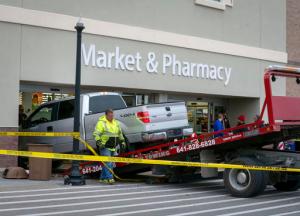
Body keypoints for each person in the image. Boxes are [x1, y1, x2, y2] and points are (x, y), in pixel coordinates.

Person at [93, 109, 126, 184]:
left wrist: (122, 141)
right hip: (104, 147)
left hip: (113, 147)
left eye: (112, 115)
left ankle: (103, 178)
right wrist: (99, 142)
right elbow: (96, 134)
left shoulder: (115, 122)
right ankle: (110, 178)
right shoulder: (101, 123)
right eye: (110, 115)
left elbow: (119, 133)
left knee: (107, 163)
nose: (112, 117)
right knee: (108, 163)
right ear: (106, 115)